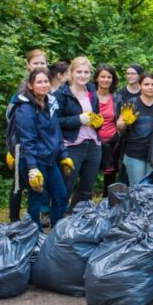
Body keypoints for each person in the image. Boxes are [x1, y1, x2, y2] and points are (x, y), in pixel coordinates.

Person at [13, 68, 74, 228]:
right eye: (39, 82)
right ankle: (34, 235)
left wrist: (64, 155)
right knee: (37, 199)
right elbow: (27, 140)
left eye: (46, 81)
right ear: (30, 86)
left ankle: (56, 232)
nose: (44, 85)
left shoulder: (51, 103)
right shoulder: (25, 108)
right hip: (34, 161)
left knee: (61, 197)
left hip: (50, 159)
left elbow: (56, 133)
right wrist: (32, 168)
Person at [7, 49, 51, 222]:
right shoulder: (23, 90)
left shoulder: (46, 85)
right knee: (18, 185)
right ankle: (14, 221)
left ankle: (40, 217)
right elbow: (10, 116)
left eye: (42, 63)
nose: (39, 66)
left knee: (39, 184)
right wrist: (10, 145)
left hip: (41, 144)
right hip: (22, 144)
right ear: (28, 65)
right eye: (36, 63)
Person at [55, 56, 102, 207]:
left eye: (86, 72)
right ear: (71, 73)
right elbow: (55, 121)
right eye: (79, 72)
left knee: (87, 188)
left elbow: (95, 113)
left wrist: (98, 122)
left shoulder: (92, 90)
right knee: (66, 186)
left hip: (93, 144)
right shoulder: (61, 94)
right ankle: (58, 220)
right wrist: (78, 119)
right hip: (71, 145)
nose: (83, 76)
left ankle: (79, 219)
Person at [116, 73, 153, 185]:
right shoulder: (132, 103)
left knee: (151, 190)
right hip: (134, 153)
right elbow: (119, 126)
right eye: (146, 84)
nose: (150, 87)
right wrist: (125, 122)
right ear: (140, 85)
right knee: (138, 188)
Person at [94, 63, 120, 198]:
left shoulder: (116, 98)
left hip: (112, 142)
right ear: (97, 78)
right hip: (93, 142)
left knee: (110, 179)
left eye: (109, 77)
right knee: (88, 176)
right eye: (102, 76)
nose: (106, 80)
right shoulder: (89, 97)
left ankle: (106, 204)